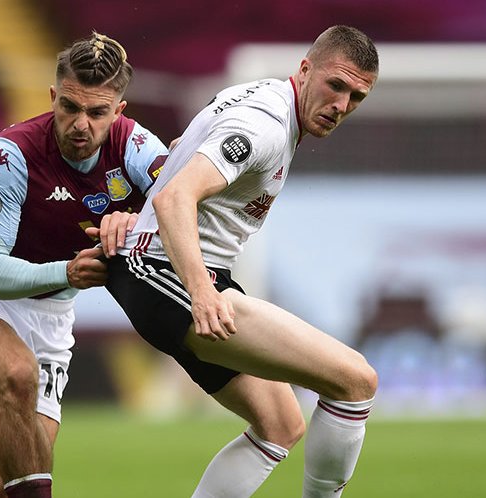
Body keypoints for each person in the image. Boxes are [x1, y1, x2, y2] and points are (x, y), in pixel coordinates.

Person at [100, 25, 379, 497]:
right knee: (355, 381)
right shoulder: (265, 128)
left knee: (280, 422)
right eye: (336, 85)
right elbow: (175, 198)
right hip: (168, 276)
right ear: (305, 69)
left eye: (356, 97)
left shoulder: (265, 101)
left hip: (174, 273)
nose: (341, 105)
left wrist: (131, 214)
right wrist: (202, 291)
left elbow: (177, 166)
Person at [0, 32, 168, 498]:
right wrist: (67, 272)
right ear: (53, 96)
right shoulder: (8, 154)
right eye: (70, 106)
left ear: (120, 111)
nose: (80, 124)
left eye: (97, 113)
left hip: (51, 318)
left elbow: (181, 202)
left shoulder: (136, 148)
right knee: (17, 374)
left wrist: (136, 219)